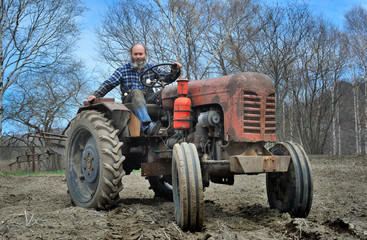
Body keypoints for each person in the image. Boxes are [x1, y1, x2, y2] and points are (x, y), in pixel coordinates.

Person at [87, 44, 182, 135]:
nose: (138, 57)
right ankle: (148, 127)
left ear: (145, 55)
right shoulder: (123, 70)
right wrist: (96, 95)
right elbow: (109, 83)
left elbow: (167, 78)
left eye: (140, 54)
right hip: (130, 100)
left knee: (168, 92)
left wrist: (174, 71)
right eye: (135, 54)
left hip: (148, 98)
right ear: (131, 55)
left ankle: (175, 127)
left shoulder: (151, 68)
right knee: (137, 92)